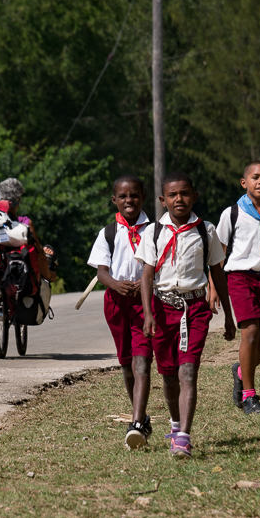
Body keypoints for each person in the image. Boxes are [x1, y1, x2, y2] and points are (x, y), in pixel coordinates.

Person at [136, 172, 236, 458]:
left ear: (195, 196)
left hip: (195, 309)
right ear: (162, 200)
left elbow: (217, 272)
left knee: (188, 371)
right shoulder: (153, 232)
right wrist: (148, 314)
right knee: (169, 376)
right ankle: (175, 424)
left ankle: (183, 438)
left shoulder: (206, 230)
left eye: (185, 193)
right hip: (161, 309)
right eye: (172, 195)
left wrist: (228, 316)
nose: (179, 199)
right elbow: (147, 275)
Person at [209, 161, 260, 415]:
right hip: (239, 278)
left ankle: (240, 372)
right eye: (255, 177)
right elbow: (218, 254)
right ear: (244, 183)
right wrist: (213, 286)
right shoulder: (232, 213)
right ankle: (249, 396)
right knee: (251, 333)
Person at [87, 175, 153, 449]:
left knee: (142, 361)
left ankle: (136, 423)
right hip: (116, 303)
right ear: (114, 200)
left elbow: (161, 264)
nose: (129, 200)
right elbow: (101, 272)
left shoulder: (155, 231)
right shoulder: (109, 233)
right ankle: (142, 416)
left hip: (145, 302)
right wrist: (116, 284)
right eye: (123, 196)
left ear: (143, 198)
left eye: (134, 195)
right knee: (126, 364)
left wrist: (145, 284)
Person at [0, 178, 57, 282]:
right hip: (20, 278)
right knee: (45, 260)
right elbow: (39, 255)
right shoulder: (25, 224)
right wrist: (49, 275)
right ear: (17, 203)